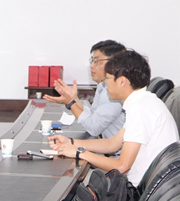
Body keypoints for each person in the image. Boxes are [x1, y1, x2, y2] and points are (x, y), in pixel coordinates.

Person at [49, 50, 179, 187]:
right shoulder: (143, 102)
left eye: (108, 79)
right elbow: (112, 144)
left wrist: (80, 153)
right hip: (142, 184)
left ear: (122, 81)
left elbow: (122, 167)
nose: (105, 84)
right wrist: (71, 142)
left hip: (138, 190)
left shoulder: (141, 110)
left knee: (70, 180)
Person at [44, 40, 126, 139]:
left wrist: (70, 103)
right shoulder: (102, 86)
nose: (91, 65)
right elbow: (92, 117)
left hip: (120, 148)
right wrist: (74, 99)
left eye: (96, 61)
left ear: (113, 63)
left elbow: (93, 128)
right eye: (91, 61)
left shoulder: (114, 91)